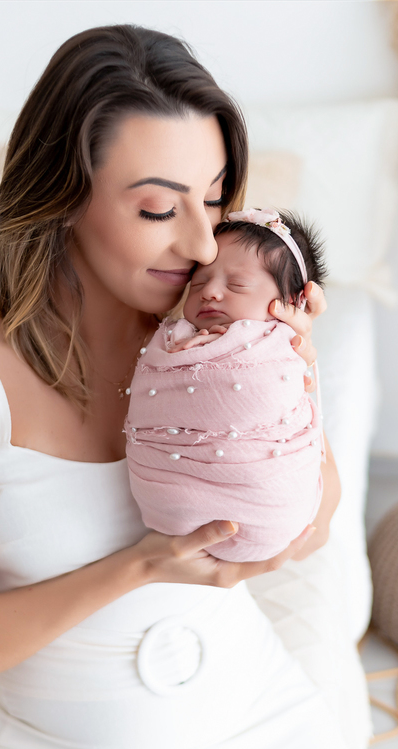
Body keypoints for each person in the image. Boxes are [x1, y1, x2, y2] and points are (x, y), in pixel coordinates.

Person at [0, 23, 374, 749]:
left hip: (260, 710)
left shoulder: (217, 337)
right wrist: (140, 566)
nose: (203, 244)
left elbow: (312, 525)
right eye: (158, 209)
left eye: (215, 200)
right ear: (62, 198)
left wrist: (288, 371)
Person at [125, 208, 331, 562]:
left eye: (236, 285)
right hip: (168, 508)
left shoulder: (281, 347)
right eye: (198, 283)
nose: (209, 293)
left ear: (290, 304)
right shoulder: (171, 341)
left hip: (271, 514)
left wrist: (288, 353)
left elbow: (317, 533)